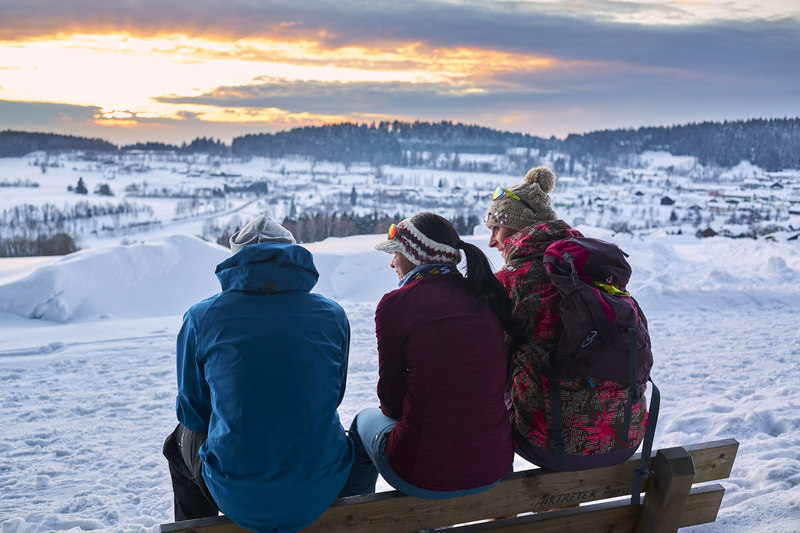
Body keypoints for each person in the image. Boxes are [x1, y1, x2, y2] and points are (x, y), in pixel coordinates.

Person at [162, 214, 353, 532]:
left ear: (236, 260)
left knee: (178, 442)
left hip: (238, 493)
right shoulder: (332, 314)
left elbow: (193, 415)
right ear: (293, 257)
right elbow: (334, 395)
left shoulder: (201, 317)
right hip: (322, 484)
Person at [339, 212, 516, 499]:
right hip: (492, 464)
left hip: (422, 472)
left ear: (412, 254)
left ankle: (356, 514)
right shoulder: (487, 296)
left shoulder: (396, 304)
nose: (391, 262)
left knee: (361, 423)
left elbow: (391, 401)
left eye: (395, 253)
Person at [484, 166, 648, 471]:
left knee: (482, 400)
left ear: (521, 228)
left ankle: (503, 512)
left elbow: (487, 363)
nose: (491, 241)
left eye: (496, 228)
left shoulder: (512, 280)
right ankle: (563, 508)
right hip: (627, 436)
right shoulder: (589, 268)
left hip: (554, 446)